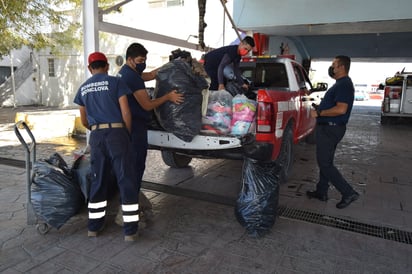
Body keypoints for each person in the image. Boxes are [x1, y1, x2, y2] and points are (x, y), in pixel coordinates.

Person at [73, 52, 139, 241]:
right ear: (107, 66)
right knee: (125, 179)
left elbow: (84, 120)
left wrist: (96, 130)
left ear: (89, 68)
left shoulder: (83, 88)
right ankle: (130, 231)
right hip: (117, 133)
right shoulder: (115, 82)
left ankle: (93, 227)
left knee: (98, 179)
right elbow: (126, 112)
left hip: (97, 136)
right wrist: (125, 134)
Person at [117, 43, 184, 224]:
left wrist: (166, 67)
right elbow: (147, 105)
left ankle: (129, 203)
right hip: (135, 128)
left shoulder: (124, 72)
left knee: (128, 169)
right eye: (140, 61)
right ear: (130, 59)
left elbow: (147, 75)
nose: (143, 63)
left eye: (145, 60)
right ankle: (127, 214)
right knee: (136, 168)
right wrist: (168, 97)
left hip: (125, 128)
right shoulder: (132, 78)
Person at [306, 55, 359, 209]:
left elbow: (341, 109)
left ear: (341, 67)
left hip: (331, 128)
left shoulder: (344, 85)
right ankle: (321, 191)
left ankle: (348, 192)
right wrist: (320, 108)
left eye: (334, 64)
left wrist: (320, 113)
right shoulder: (340, 84)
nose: (332, 67)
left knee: (324, 163)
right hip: (330, 127)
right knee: (326, 161)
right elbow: (335, 105)